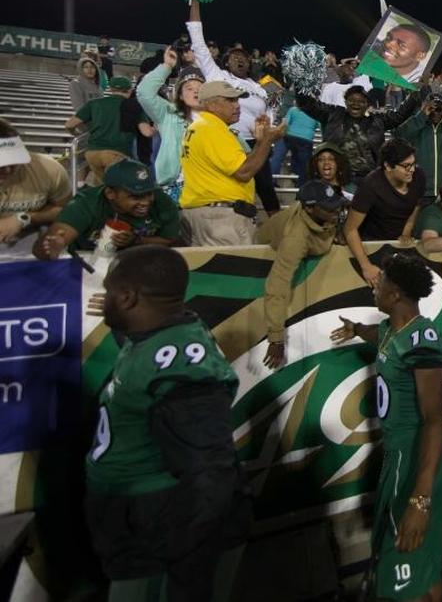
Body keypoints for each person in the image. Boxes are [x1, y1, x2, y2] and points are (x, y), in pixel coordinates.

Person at [85, 246, 250, 601]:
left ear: (128, 297)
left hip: (160, 534)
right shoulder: (158, 330)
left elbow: (210, 472)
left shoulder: (180, 369)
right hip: (141, 523)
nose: (106, 298)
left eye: (112, 291)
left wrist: (183, 559)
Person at [330, 254, 442, 601]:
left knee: (403, 564)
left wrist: (420, 499)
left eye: (380, 281)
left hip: (418, 457)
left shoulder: (423, 344)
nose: (375, 286)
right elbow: (379, 337)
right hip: (399, 454)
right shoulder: (392, 330)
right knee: (422, 561)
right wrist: (356, 330)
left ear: (396, 294)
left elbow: (434, 422)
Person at [187, 0, 279, 215]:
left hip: (254, 143)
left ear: (251, 64)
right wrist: (195, 2)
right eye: (235, 57)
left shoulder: (264, 86)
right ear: (226, 62)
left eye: (244, 58)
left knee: (267, 189)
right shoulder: (217, 76)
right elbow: (198, 41)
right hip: (227, 141)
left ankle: (276, 228)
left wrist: (266, 130)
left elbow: (273, 111)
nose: (240, 60)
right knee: (232, 186)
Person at [257, 180, 348, 370]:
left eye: (335, 206)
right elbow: (277, 287)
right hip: (260, 250)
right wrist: (276, 339)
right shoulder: (295, 238)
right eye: (328, 208)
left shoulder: (321, 213)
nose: (335, 211)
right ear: (310, 208)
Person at [180, 82, 284, 247]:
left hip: (208, 214)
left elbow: (242, 165)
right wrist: (268, 140)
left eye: (237, 100)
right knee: (234, 272)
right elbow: (244, 172)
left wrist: (260, 142)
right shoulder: (212, 128)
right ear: (212, 105)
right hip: (219, 219)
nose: (237, 106)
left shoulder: (202, 126)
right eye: (230, 100)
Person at [33, 159, 180, 259]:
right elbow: (42, 249)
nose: (146, 202)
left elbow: (168, 240)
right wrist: (52, 247)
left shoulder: (162, 202)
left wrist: (136, 241)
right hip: (87, 262)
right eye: (135, 197)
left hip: (137, 260)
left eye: (149, 193)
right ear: (110, 193)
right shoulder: (85, 204)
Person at [296, 84, 422, 186]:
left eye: (361, 101)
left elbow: (399, 115)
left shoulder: (377, 120)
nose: (356, 104)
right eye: (351, 100)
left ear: (367, 105)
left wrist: (414, 94)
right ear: (345, 102)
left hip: (369, 180)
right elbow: (307, 104)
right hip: (337, 178)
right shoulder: (333, 114)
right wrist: (299, 82)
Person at [345, 138, 426, 287]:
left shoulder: (418, 176)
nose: (412, 170)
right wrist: (366, 266)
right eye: (406, 166)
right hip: (372, 244)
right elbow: (350, 229)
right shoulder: (370, 185)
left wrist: (407, 229)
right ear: (388, 166)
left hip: (399, 244)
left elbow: (416, 204)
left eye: (413, 164)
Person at [136, 48, 205, 202]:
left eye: (200, 88)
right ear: (180, 94)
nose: (195, 92)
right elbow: (144, 92)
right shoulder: (168, 113)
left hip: (207, 187)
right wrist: (167, 66)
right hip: (175, 186)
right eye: (189, 88)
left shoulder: (215, 118)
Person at [0, 120, 70, 256]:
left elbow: (65, 208)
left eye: (13, 160)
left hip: (32, 245)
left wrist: (24, 218)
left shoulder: (48, 169)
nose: (8, 170)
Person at [65, 76, 139, 185]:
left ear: (111, 89)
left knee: (101, 184)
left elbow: (69, 124)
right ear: (130, 90)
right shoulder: (133, 106)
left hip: (93, 153)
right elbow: (146, 131)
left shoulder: (94, 103)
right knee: (119, 189)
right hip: (117, 153)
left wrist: (75, 133)